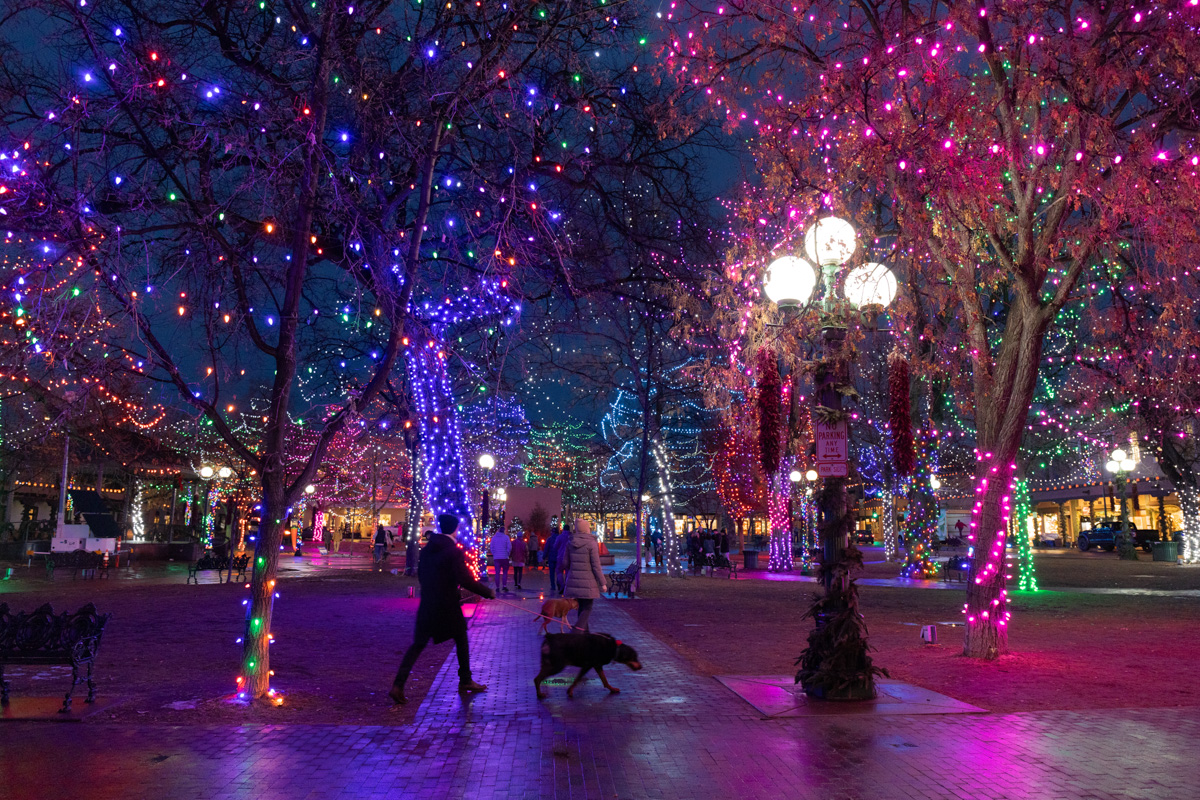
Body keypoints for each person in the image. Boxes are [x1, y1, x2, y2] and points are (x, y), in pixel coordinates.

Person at [389, 514, 495, 705]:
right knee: (461, 637)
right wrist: (487, 592)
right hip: (447, 605)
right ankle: (465, 680)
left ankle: (398, 684)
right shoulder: (453, 551)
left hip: (428, 603)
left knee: (418, 644)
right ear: (455, 529)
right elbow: (465, 579)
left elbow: (422, 574)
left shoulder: (428, 549)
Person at [564, 518, 608, 632]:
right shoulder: (591, 543)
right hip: (588, 583)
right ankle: (577, 631)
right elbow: (596, 565)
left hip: (573, 581)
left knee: (581, 608)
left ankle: (585, 635)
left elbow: (565, 563)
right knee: (587, 608)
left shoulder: (570, 542)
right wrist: (603, 583)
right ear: (586, 529)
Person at [489, 526, 512, 591]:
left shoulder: (494, 538)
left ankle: (497, 587)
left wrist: (494, 554)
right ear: (504, 531)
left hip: (496, 558)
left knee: (497, 573)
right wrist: (507, 553)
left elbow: (491, 547)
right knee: (505, 572)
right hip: (504, 557)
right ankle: (504, 586)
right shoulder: (506, 537)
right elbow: (509, 547)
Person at [554, 524, 571, 596]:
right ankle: (567, 586)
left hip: (560, 557)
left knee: (559, 571)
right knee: (568, 572)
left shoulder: (559, 537)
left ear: (563, 529)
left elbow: (555, 546)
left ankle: (562, 585)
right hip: (569, 557)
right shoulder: (571, 537)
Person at [543, 527, 561, 592]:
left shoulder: (549, 539)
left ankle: (553, 586)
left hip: (551, 558)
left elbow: (546, 548)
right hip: (558, 558)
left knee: (552, 573)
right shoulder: (560, 538)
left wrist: (544, 556)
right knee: (559, 572)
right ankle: (559, 584)